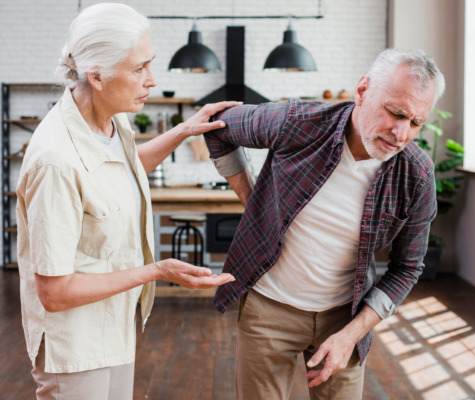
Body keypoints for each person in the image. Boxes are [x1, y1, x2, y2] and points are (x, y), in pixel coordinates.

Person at [15, 3, 239, 399]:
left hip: (114, 326)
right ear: (96, 76)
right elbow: (54, 291)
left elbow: (123, 166)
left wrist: (183, 130)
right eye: (139, 69)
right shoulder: (56, 161)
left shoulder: (109, 120)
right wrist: (155, 271)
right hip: (75, 346)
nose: (151, 80)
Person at [204, 48, 445, 399]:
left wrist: (350, 336)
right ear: (362, 91)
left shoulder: (417, 174)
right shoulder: (298, 122)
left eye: (416, 123)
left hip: (345, 317)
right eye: (395, 113)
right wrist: (252, 199)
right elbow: (218, 126)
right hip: (268, 309)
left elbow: (407, 268)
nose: (401, 133)